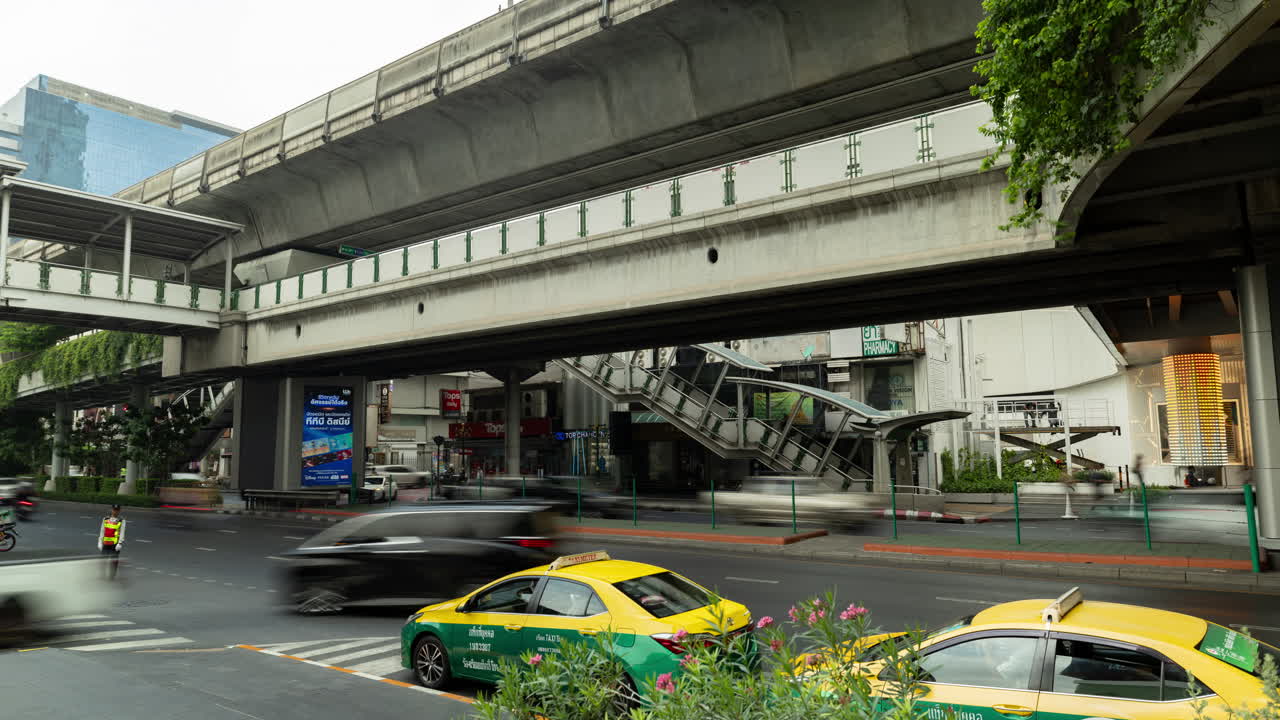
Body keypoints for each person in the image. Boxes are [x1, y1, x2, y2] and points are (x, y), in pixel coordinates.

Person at [97, 504, 126, 580]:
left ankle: (111, 577)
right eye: (114, 510)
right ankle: (102, 576)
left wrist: (120, 543)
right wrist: (100, 541)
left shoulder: (121, 520)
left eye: (117, 510)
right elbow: (102, 531)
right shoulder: (106, 519)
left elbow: (122, 532)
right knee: (103, 560)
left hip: (115, 544)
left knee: (114, 562)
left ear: (119, 511)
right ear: (111, 510)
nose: (115, 512)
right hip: (106, 543)